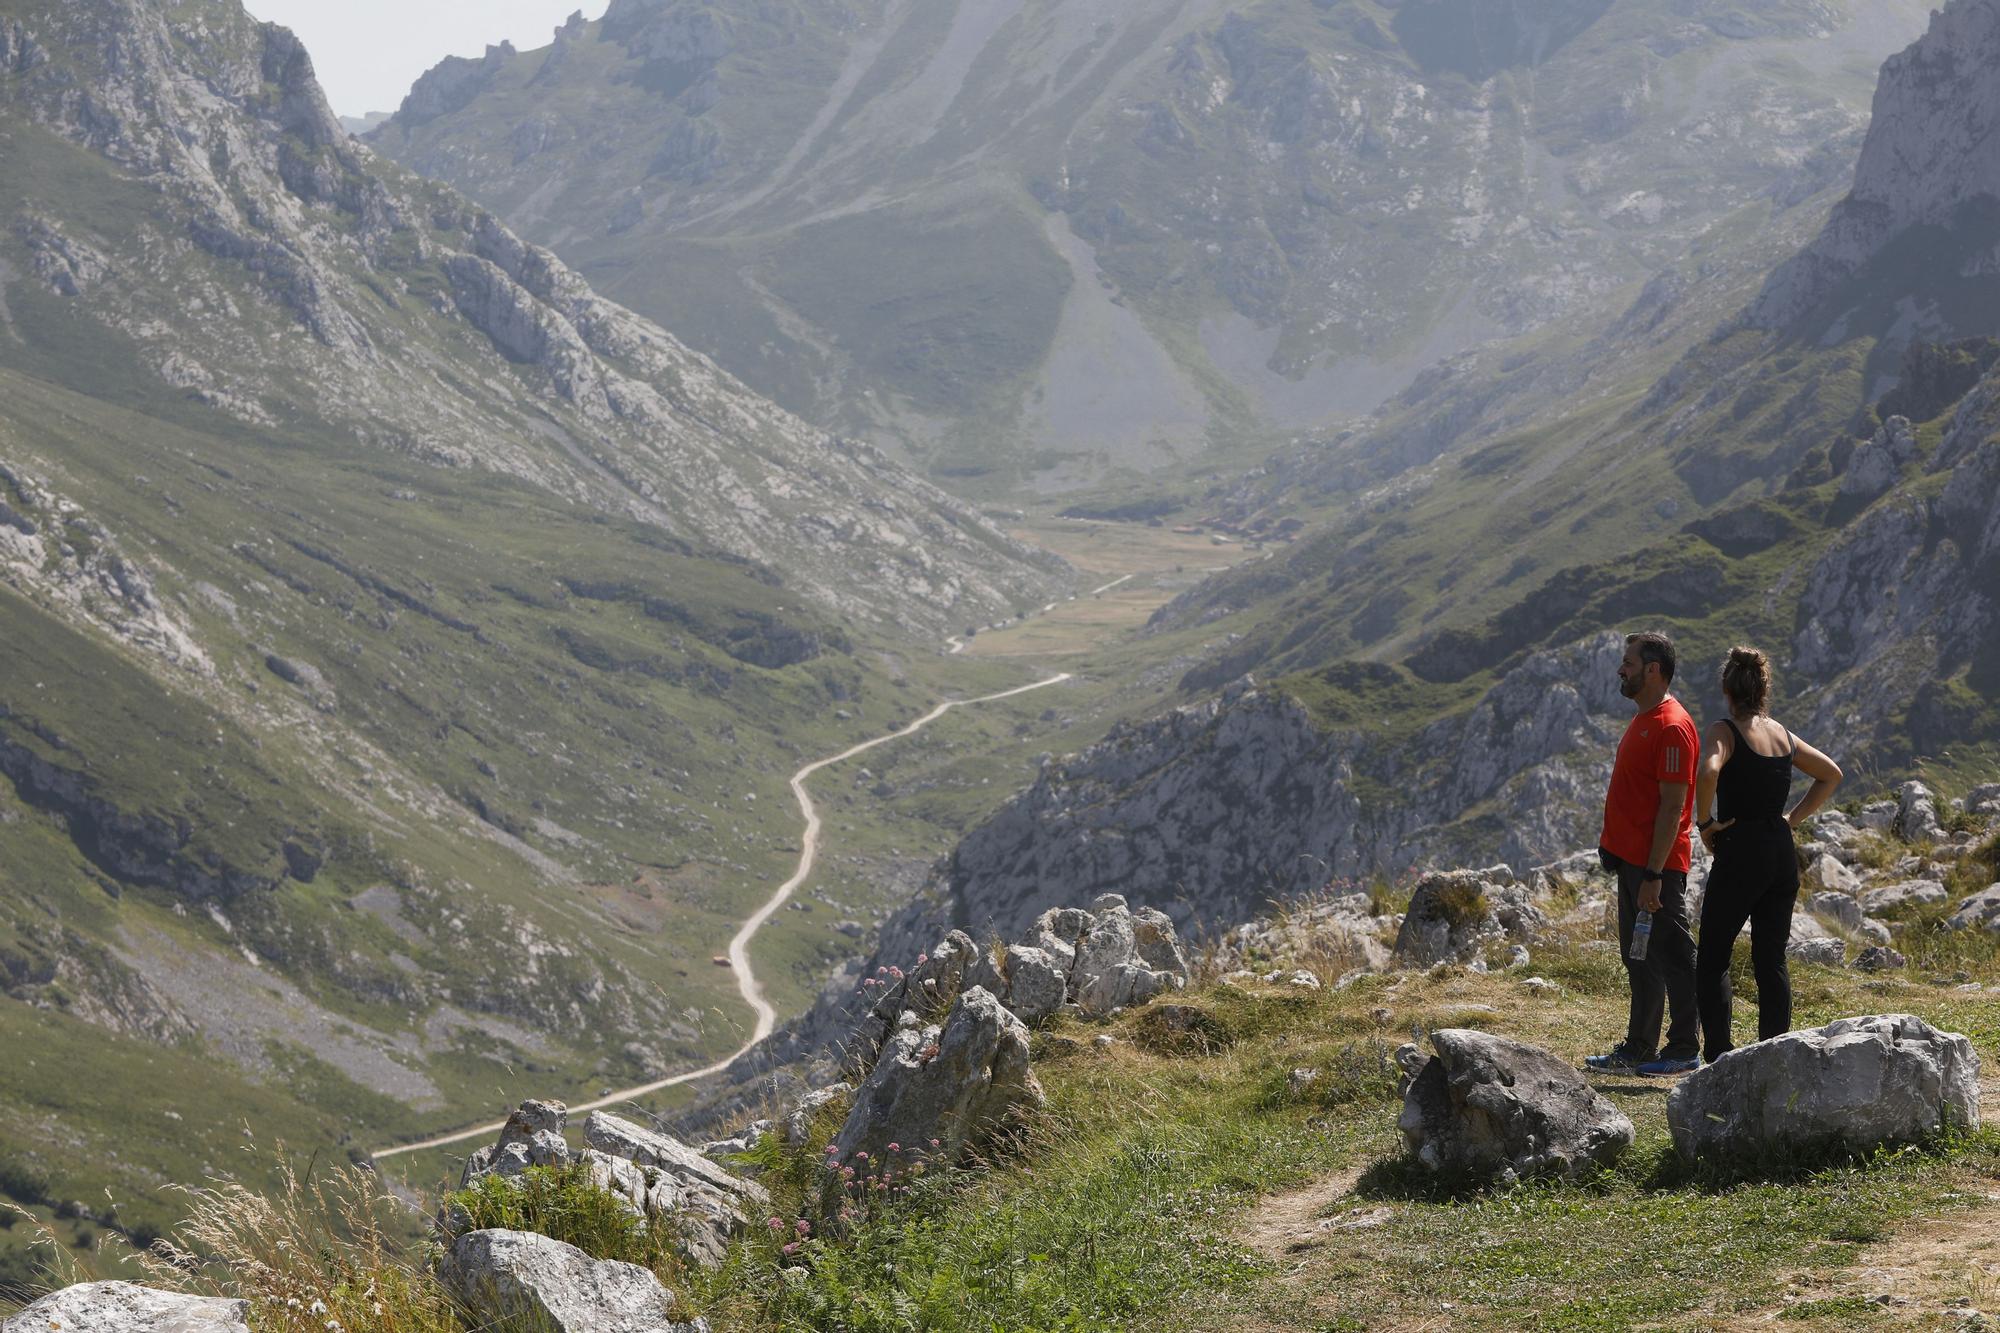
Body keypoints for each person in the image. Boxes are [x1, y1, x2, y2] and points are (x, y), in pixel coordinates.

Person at [1691, 646, 1843, 1063]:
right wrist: (1791, 820)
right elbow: (1831, 774)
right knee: (1770, 959)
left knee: (1714, 957)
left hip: (1741, 849)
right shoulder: (1782, 735)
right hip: (1780, 851)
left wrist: (1705, 824)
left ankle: (1720, 1056)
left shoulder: (1724, 731)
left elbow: (1708, 771)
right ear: (1763, 690)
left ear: (1727, 689)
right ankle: (1774, 1055)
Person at [1586, 631, 1703, 1077]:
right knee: (1640, 956)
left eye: (1628, 663)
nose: (1621, 669)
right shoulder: (1644, 718)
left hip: (1658, 868)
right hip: (1634, 864)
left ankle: (1684, 1048)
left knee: (1673, 955)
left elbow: (1674, 806)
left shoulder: (1672, 726)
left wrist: (1654, 873)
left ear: (1652, 670)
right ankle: (1639, 1047)